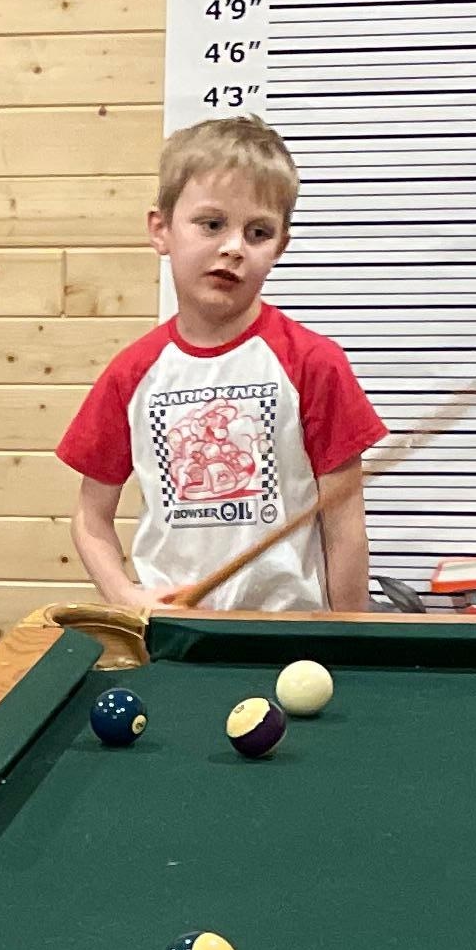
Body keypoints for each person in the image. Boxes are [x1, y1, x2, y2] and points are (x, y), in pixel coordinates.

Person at [60, 114, 382, 615]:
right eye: (212, 224)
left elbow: (345, 530)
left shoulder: (314, 363)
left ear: (280, 247)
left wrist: (349, 639)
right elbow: (89, 517)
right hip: (173, 639)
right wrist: (126, 596)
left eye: (258, 232)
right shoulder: (132, 373)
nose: (233, 247)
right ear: (161, 230)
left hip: (289, 634)